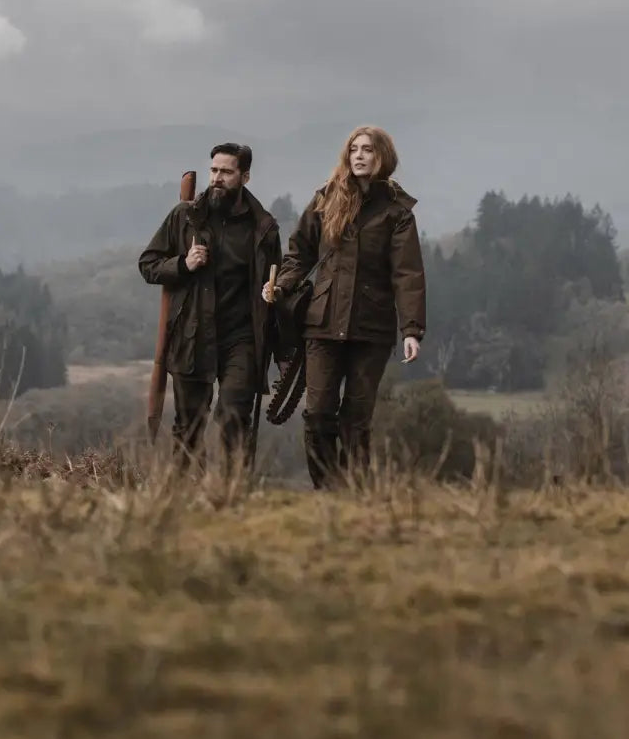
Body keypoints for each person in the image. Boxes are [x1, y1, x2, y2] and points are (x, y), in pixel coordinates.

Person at [263, 126, 425, 488]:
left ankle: (353, 492)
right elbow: (299, 253)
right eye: (354, 149)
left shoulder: (398, 212)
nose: (359, 156)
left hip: (372, 329)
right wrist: (282, 284)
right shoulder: (326, 199)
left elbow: (407, 273)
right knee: (318, 414)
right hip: (322, 324)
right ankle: (327, 489)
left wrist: (412, 330)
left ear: (383, 157)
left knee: (356, 417)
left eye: (368, 149)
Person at [139, 143, 283, 474]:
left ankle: (232, 493)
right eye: (214, 171)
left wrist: (276, 290)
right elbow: (148, 264)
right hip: (193, 333)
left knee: (234, 416)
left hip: (241, 337)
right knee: (189, 426)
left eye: (226, 172)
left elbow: (279, 281)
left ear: (244, 176)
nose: (217, 179)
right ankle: (188, 497)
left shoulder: (263, 227)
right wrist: (182, 264)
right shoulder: (185, 216)